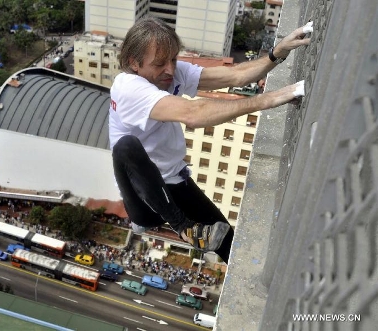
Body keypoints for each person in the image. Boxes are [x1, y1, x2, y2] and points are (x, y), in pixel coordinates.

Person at [109, 17, 313, 264]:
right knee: (126, 146)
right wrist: (266, 101)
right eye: (160, 63)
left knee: (227, 241)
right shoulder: (129, 88)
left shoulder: (169, 74)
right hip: (144, 198)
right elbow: (194, 114)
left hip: (175, 182)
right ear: (134, 63)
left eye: (173, 59)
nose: (170, 70)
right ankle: (184, 228)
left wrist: (276, 53)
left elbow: (234, 76)